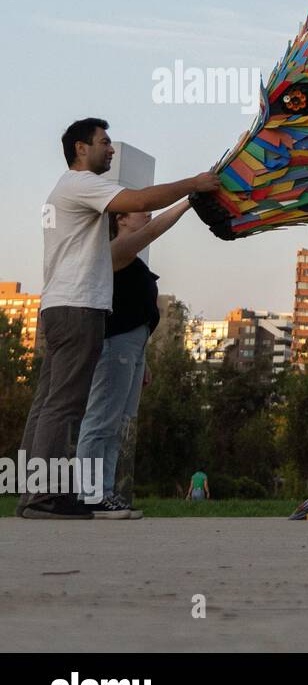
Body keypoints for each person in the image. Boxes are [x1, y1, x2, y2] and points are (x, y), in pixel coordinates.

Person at [17, 118, 218, 519]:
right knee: (65, 407)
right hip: (79, 309)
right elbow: (141, 201)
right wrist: (194, 183)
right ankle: (46, 498)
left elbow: (144, 222)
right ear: (80, 149)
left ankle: (34, 494)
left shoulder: (67, 189)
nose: (110, 150)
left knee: (47, 405)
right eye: (104, 143)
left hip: (60, 307)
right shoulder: (80, 184)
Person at [74, 201, 189, 519]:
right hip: (115, 345)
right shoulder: (115, 249)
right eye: (140, 210)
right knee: (102, 419)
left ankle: (105, 494)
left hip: (132, 347)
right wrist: (190, 199)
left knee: (117, 423)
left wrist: (143, 359)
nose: (147, 213)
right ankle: (89, 494)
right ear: (120, 220)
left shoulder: (129, 257)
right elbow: (154, 229)